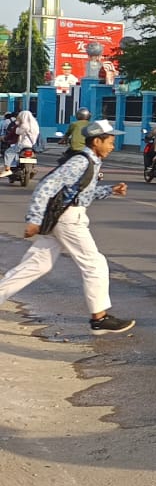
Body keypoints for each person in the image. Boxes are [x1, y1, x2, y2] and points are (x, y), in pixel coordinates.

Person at [0, 120, 134, 334]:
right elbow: (46, 186)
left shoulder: (91, 161)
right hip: (69, 220)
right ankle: (99, 318)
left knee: (37, 265)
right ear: (96, 141)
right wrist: (34, 219)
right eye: (109, 142)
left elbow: (80, 194)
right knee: (95, 264)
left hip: (64, 217)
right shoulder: (80, 162)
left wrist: (110, 190)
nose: (112, 146)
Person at [0, 109, 40, 178]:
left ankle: (7, 169)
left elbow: (17, 132)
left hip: (22, 144)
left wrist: (18, 124)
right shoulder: (35, 125)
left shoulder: (24, 125)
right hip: (31, 145)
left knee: (8, 152)